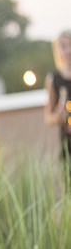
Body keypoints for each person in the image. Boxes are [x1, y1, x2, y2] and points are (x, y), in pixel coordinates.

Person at [44, 30, 71, 168]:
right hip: (68, 145)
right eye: (64, 46)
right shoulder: (53, 79)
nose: (68, 51)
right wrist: (58, 116)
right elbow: (48, 118)